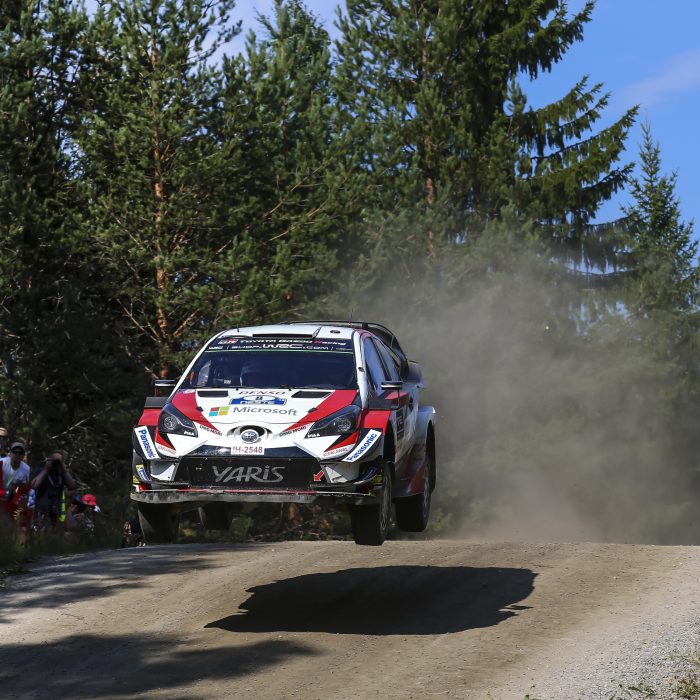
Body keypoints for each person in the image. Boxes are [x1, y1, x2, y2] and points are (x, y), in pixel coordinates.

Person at [31, 449, 76, 529]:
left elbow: (72, 486)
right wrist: (46, 469)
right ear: (49, 460)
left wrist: (64, 469)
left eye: (59, 461)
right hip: (41, 512)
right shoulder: (41, 471)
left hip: (56, 513)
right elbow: (34, 486)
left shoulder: (62, 475)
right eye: (54, 461)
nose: (56, 463)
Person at [1, 442, 32, 526]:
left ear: (23, 456)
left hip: (12, 496)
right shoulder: (2, 462)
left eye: (20, 453)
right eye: (15, 452)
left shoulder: (26, 469)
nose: (17, 454)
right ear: (10, 453)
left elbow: (23, 489)